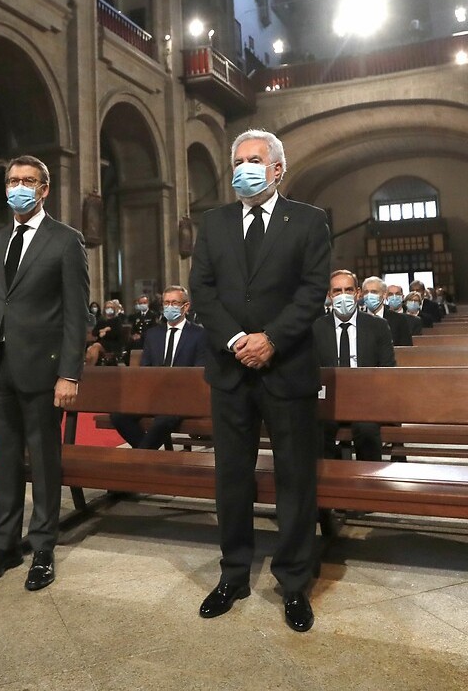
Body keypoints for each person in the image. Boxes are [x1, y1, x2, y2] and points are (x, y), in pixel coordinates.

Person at [189, 129, 329, 633]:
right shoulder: (214, 222)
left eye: (255, 160)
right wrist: (235, 340)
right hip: (230, 370)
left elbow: (313, 290)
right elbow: (202, 289)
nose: (244, 168)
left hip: (286, 367)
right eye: (238, 161)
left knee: (294, 478)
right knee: (231, 477)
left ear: (277, 169)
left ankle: (294, 581)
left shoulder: (308, 220)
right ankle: (233, 574)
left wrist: (270, 339)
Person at [0, 155, 89, 592]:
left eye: (28, 181)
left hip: (43, 369)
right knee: (4, 461)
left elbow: (77, 314)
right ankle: (3, 546)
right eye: (13, 180)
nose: (19, 187)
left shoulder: (66, 240)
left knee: (44, 460)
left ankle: (42, 548)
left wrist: (69, 374)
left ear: (44, 189)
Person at [110, 285, 207, 449]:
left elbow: (199, 371)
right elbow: (145, 368)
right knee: (118, 416)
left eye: (174, 303)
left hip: (183, 397)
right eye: (166, 303)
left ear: (186, 306)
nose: (169, 307)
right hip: (155, 394)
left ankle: (143, 457)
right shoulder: (153, 334)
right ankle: (149, 455)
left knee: (164, 419)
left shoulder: (199, 334)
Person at [313, 271, 395, 461]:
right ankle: (327, 477)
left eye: (348, 290)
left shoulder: (378, 326)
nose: (343, 296)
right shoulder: (316, 328)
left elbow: (388, 368)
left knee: (366, 429)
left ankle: (369, 477)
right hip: (330, 400)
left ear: (358, 293)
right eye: (337, 291)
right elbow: (312, 370)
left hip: (366, 400)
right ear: (329, 295)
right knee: (318, 427)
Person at [361, 275, 412, 347]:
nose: (369, 296)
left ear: (384, 294)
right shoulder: (358, 318)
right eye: (366, 292)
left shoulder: (400, 319)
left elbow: (406, 349)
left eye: (374, 292)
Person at [85, 299, 126, 366]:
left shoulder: (117, 320)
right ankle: (89, 367)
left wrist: (105, 333)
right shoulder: (101, 320)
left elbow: (116, 334)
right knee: (90, 349)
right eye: (107, 307)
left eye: (111, 307)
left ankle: (90, 368)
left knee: (96, 346)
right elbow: (94, 332)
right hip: (102, 342)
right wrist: (102, 330)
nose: (109, 309)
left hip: (113, 344)